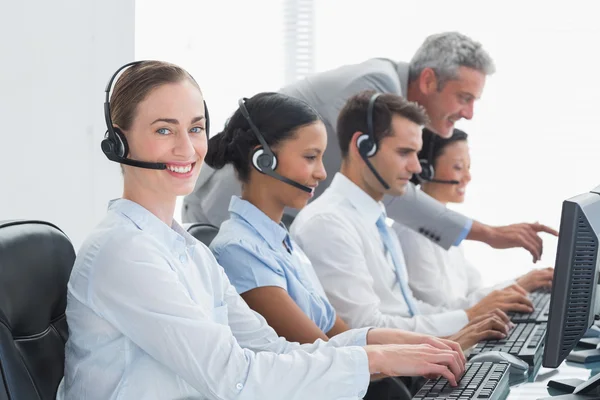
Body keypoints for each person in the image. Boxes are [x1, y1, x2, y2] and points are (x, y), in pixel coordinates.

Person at [57, 61, 466, 400]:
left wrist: (395, 349)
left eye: (196, 128)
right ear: (118, 142)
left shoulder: (191, 251)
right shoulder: (124, 252)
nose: (187, 148)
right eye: (164, 130)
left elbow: (274, 349)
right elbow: (234, 377)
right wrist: (377, 360)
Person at [183, 31, 557, 263]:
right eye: (464, 97)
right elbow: (386, 186)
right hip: (233, 204)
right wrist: (489, 234)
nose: (469, 114)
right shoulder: (373, 90)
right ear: (428, 80)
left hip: (277, 218)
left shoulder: (392, 98)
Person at [205, 91, 474, 399]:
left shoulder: (281, 242)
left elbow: (342, 335)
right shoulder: (239, 251)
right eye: (310, 157)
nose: (322, 172)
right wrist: (404, 355)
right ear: (262, 159)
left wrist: (430, 343)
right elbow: (320, 352)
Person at [290, 90, 535, 339]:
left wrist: (474, 315)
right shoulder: (328, 224)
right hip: (387, 373)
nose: (416, 167)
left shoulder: (375, 220)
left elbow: (409, 311)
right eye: (404, 152)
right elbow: (365, 329)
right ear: (362, 147)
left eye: (416, 154)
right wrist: (467, 318)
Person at [396, 127, 554, 309]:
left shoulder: (448, 229)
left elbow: (474, 292)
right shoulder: (411, 234)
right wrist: (521, 286)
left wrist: (526, 282)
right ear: (425, 170)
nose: (468, 176)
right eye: (458, 167)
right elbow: (444, 313)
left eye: (468, 167)